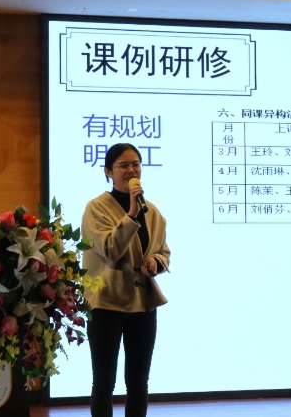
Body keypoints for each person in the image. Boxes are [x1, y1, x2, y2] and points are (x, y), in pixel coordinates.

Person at [81, 143, 170, 417]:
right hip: (106, 305)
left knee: (139, 382)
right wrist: (131, 214)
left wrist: (156, 262)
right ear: (108, 171)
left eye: (136, 164)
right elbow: (110, 249)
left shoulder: (152, 212)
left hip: (143, 305)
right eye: (123, 165)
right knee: (104, 382)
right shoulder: (96, 208)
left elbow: (163, 251)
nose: (131, 170)